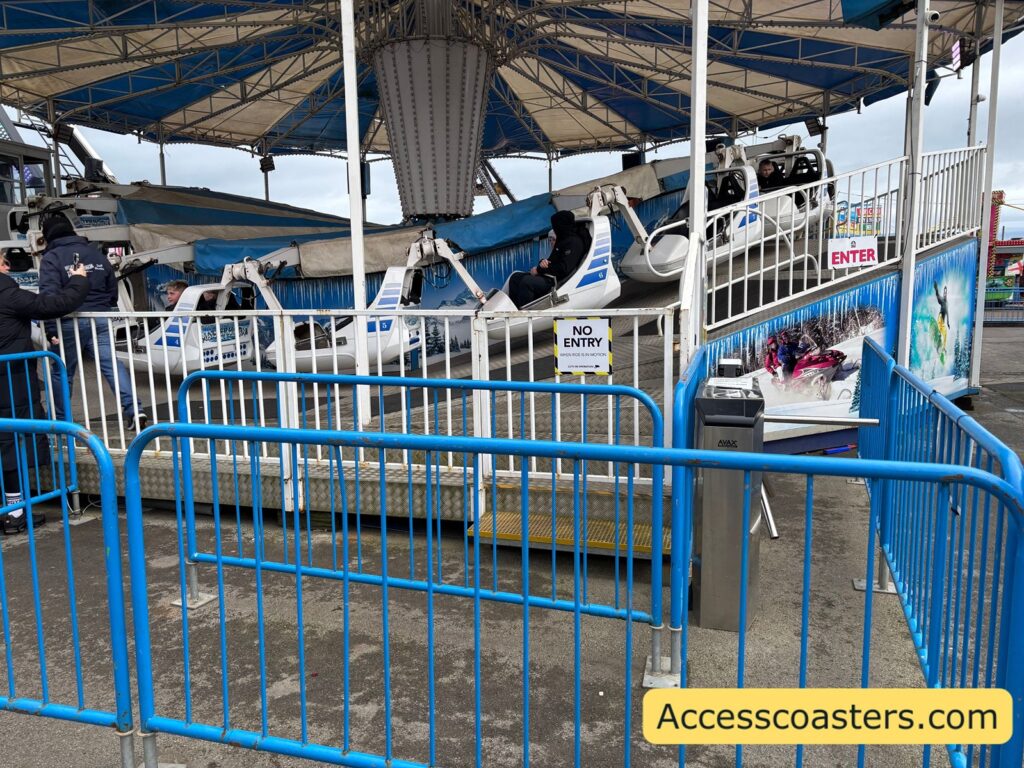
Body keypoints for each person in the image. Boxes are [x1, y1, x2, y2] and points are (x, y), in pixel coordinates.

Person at [0, 249, 89, 534]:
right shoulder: (8, 294)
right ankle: (15, 513)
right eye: (3, 263)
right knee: (12, 444)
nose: (8, 267)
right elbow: (55, 304)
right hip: (10, 382)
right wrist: (78, 279)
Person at [37, 211, 149, 429]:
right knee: (112, 365)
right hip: (100, 318)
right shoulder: (95, 254)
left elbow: (49, 297)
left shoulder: (52, 258)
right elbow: (112, 289)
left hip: (68, 321)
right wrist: (100, 306)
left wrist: (50, 329)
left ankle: (61, 422)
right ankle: (135, 411)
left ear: (48, 235)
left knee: (62, 371)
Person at [509, 210, 586, 308]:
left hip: (556, 280)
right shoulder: (563, 239)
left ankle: (526, 313)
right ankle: (514, 310)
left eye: (556, 225)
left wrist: (539, 270)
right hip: (548, 275)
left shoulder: (574, 243)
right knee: (515, 278)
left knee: (527, 282)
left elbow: (564, 268)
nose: (554, 228)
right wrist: (542, 263)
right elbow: (552, 261)